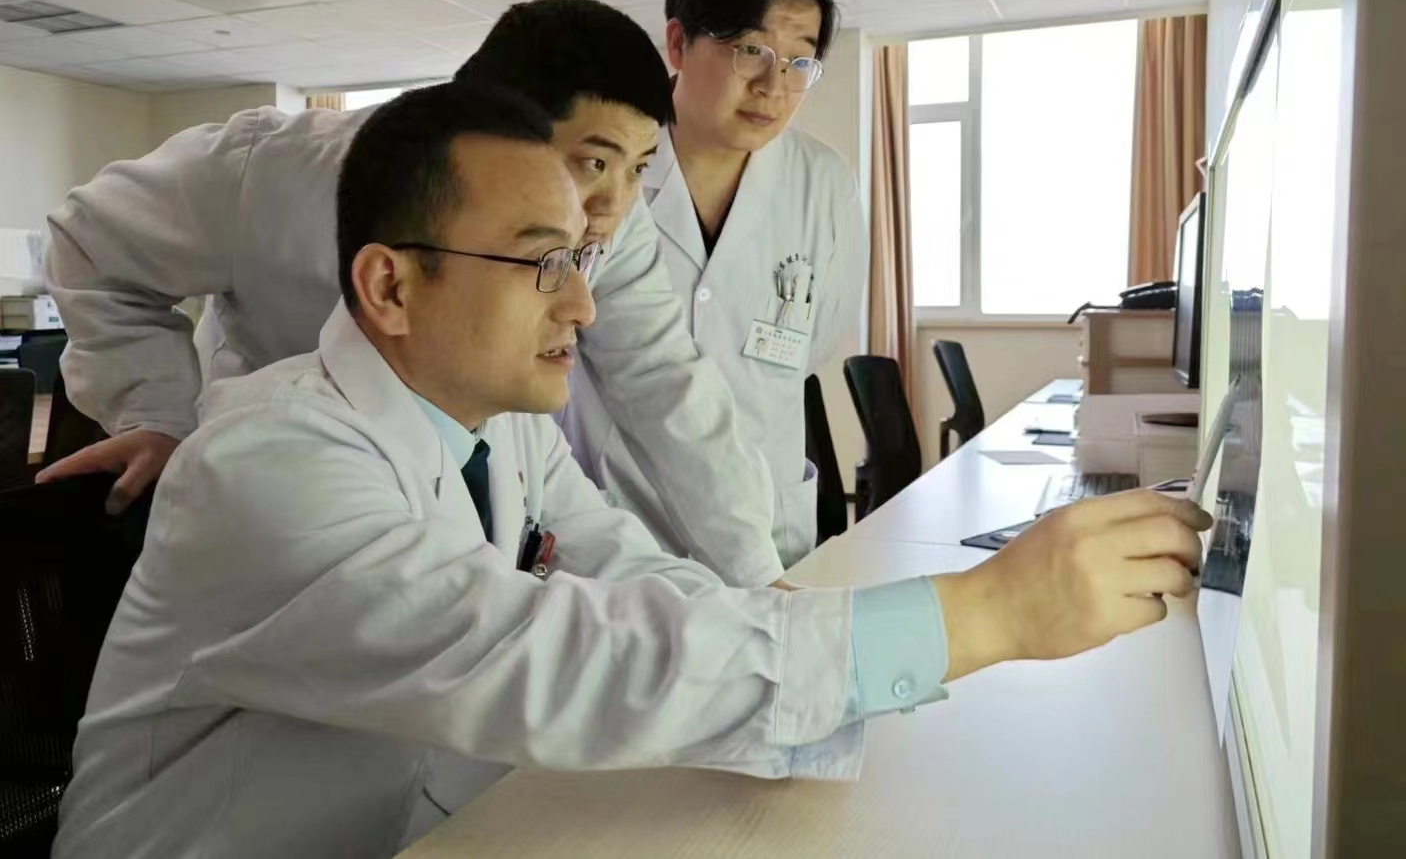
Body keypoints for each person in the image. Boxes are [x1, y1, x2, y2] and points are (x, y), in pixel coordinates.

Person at [53, 82, 1212, 859]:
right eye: (539, 264)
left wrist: (815, 645)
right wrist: (978, 616)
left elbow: (621, 564)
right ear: (390, 286)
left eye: (582, 257)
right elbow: (550, 654)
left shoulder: (496, 422)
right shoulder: (269, 468)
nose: (583, 305)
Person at [41, 0, 785, 587]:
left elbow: (665, 383)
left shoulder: (603, 226)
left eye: (639, 169)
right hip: (285, 490)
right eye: (593, 162)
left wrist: (761, 585)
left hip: (433, 489)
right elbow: (91, 245)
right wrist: (158, 415)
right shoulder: (273, 174)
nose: (612, 208)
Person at [564, 0, 861, 568]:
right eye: (751, 50)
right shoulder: (603, 169)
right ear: (678, 44)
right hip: (621, 526)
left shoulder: (824, 182)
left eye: (800, 62)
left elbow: (818, 340)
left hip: (769, 522)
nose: (774, 86)